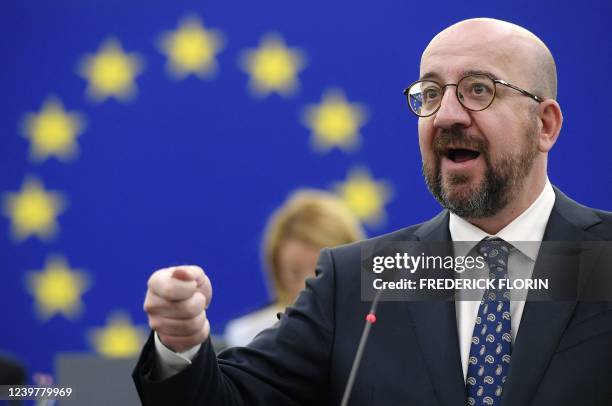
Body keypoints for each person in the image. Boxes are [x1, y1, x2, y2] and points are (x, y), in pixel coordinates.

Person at [133, 18, 612, 405]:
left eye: (478, 89)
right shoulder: (364, 279)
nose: (446, 114)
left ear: (544, 124)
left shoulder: (602, 259)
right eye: (429, 93)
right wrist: (181, 344)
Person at [224, 189, 365, 347]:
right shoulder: (248, 339)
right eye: (294, 272)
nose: (306, 288)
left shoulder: (379, 334)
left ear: (352, 266)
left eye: (321, 272)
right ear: (278, 272)